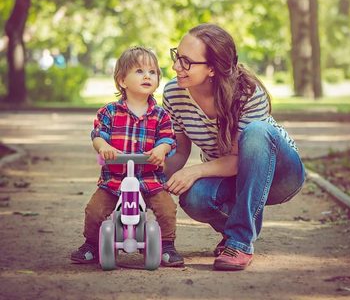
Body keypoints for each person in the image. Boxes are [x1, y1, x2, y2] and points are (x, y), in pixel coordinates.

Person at [162, 24, 305, 271]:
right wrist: (150, 178)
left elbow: (240, 159)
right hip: (229, 176)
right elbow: (181, 151)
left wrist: (194, 171)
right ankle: (237, 230)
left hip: (280, 175)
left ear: (212, 69)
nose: (176, 67)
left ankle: (240, 241)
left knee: (257, 131)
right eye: (177, 56)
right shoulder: (174, 93)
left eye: (186, 62)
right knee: (194, 197)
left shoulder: (249, 93)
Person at [71, 46, 184, 267]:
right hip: (114, 178)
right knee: (94, 210)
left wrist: (161, 149)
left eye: (152, 72)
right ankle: (92, 245)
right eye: (140, 71)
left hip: (150, 178)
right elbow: (98, 135)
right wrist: (103, 146)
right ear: (122, 80)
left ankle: (167, 245)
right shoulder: (109, 112)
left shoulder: (161, 115)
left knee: (167, 209)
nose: (147, 76)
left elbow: (168, 139)